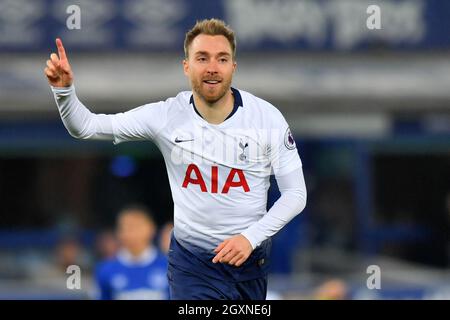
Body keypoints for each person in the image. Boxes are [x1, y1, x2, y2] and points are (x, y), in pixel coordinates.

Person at [44, 18, 307, 300]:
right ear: (187, 66)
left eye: (222, 58)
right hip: (192, 265)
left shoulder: (266, 118)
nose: (212, 68)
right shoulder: (166, 117)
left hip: (250, 261)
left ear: (233, 67)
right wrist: (64, 92)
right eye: (202, 58)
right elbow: (87, 127)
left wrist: (249, 238)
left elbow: (295, 194)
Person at [94, 205, 169, 300]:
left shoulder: (170, 266)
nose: (132, 233)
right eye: (127, 227)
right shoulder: (106, 269)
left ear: (151, 228)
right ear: (118, 232)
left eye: (137, 226)